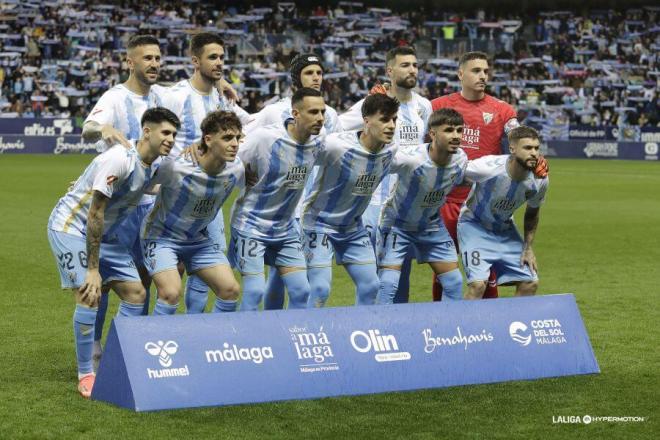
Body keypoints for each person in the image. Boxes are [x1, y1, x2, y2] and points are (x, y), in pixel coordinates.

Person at [47, 107, 180, 398]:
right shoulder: (119, 158)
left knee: (136, 294)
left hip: (104, 233)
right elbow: (95, 213)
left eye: (174, 134)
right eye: (165, 132)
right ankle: (86, 373)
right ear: (147, 131)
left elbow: (144, 188)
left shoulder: (157, 165)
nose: (171, 139)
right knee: (89, 293)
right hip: (71, 228)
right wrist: (93, 270)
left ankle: (119, 361)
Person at [81, 34, 167, 366]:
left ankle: (133, 344)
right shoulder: (116, 97)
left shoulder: (162, 96)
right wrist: (103, 130)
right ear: (130, 62)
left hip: (152, 204)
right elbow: (88, 126)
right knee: (104, 279)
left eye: (158, 58)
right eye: (148, 58)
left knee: (144, 277)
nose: (155, 63)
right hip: (121, 206)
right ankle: (94, 342)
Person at [161, 32, 251, 314]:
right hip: (175, 199)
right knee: (171, 277)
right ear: (195, 61)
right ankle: (159, 338)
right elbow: (156, 139)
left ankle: (195, 336)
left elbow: (245, 130)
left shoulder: (223, 100)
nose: (220, 63)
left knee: (209, 271)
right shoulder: (175, 95)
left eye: (222, 57)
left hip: (209, 203)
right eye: (213, 57)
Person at [245, 53, 343, 311]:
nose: (316, 78)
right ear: (296, 78)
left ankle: (301, 331)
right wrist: (245, 172)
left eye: (319, 73)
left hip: (316, 209)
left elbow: (336, 154)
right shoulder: (273, 111)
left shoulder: (330, 115)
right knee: (279, 277)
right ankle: (276, 328)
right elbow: (243, 141)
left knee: (313, 283)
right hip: (282, 209)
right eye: (309, 72)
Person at [339, 46, 432, 303]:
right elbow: (335, 129)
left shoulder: (424, 107)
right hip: (372, 205)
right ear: (389, 71)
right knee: (371, 280)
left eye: (414, 65)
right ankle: (366, 332)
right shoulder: (370, 104)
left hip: (406, 207)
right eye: (405, 65)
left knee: (400, 276)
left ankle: (395, 332)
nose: (412, 69)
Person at [429, 51, 520, 301]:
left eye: (486, 71)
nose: (483, 76)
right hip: (446, 201)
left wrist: (533, 156)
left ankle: (488, 323)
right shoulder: (437, 106)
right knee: (445, 268)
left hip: (482, 205)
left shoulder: (502, 110)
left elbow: (518, 137)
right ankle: (441, 318)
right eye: (476, 71)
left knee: (486, 269)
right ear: (461, 74)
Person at [229, 88, 325, 311]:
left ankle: (292, 340)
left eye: (322, 112)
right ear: (296, 114)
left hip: (285, 228)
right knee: (254, 291)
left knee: (302, 290)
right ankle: (244, 342)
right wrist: (240, 171)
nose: (320, 118)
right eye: (313, 112)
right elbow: (227, 157)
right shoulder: (265, 138)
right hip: (251, 225)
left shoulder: (319, 141)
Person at [141, 110, 244, 315]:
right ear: (208, 139)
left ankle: (215, 343)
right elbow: (141, 184)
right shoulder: (176, 167)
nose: (234, 144)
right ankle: (156, 343)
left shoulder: (237, 168)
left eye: (237, 138)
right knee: (170, 292)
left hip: (197, 240)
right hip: (161, 237)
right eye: (227, 138)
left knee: (230, 289)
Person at [302, 93, 399, 307]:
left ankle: (361, 334)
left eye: (394, 119)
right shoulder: (336, 145)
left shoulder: (391, 149)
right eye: (384, 119)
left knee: (371, 286)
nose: (391, 125)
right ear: (366, 121)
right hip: (318, 224)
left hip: (353, 228)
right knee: (319, 289)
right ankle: (303, 334)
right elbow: (299, 153)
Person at [376, 109, 468, 304]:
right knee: (388, 285)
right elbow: (374, 163)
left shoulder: (461, 159)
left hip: (431, 225)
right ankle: (379, 331)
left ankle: (447, 329)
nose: (456, 136)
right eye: (449, 130)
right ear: (432, 134)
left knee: (454, 282)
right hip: (396, 225)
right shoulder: (410, 158)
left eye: (460, 130)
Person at [458, 126, 548, 299]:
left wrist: (528, 248)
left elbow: (532, 213)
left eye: (536, 148)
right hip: (473, 225)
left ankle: (515, 324)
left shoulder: (540, 179)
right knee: (477, 285)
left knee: (530, 282)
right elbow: (454, 172)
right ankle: (462, 326)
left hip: (504, 228)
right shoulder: (487, 167)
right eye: (528, 148)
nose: (534, 153)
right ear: (512, 148)